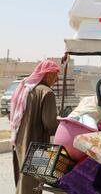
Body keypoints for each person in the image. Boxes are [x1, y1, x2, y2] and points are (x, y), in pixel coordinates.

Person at [10, 60, 60, 194]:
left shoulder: (27, 90)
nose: (56, 80)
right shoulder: (47, 93)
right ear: (47, 75)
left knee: (23, 182)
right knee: (33, 186)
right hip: (38, 148)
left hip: (21, 143)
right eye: (55, 76)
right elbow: (50, 125)